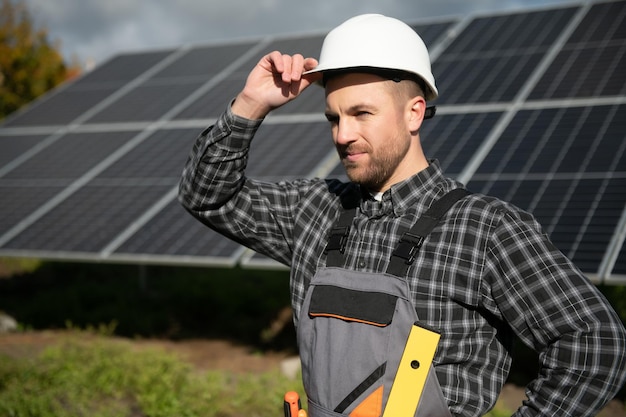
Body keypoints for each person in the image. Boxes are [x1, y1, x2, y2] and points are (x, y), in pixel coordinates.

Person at [179, 13, 626, 417]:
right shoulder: (312, 209)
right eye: (333, 118)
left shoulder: (486, 228)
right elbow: (207, 196)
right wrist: (250, 104)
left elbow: (594, 345)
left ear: (414, 113)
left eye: (362, 113)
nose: (343, 134)